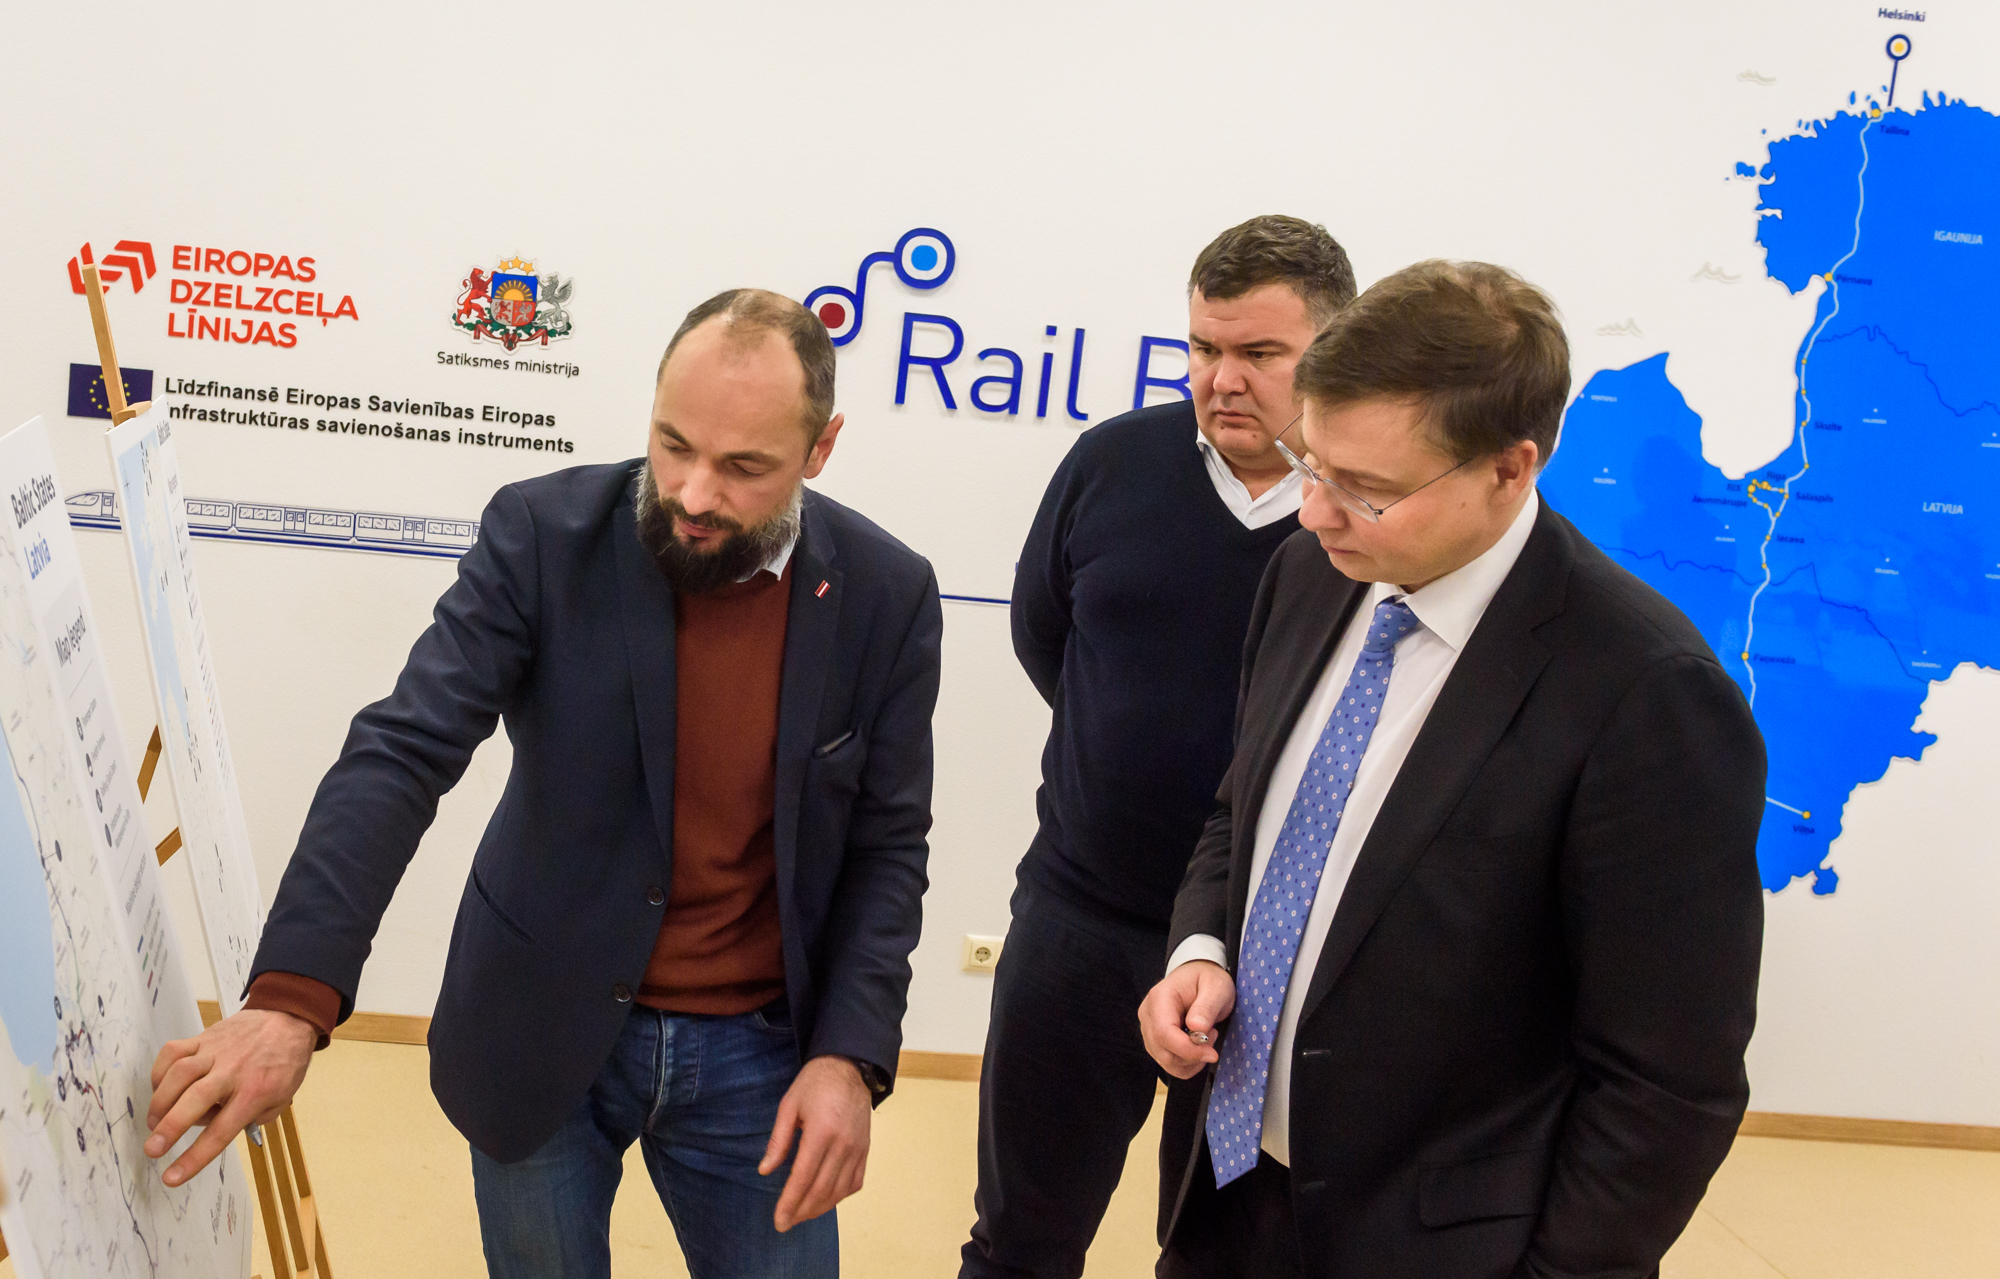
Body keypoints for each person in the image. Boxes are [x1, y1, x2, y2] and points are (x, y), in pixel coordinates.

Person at [144, 289, 943, 1279]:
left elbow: (887, 846)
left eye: (744, 468)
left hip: (760, 1053)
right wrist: (290, 997)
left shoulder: (885, 593)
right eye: (672, 444)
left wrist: (851, 1056)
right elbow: (403, 750)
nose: (693, 494)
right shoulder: (542, 535)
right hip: (540, 1020)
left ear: (819, 449)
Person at [1138, 260, 1766, 1278]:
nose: (1314, 512)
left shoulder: (1644, 692)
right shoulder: (1309, 576)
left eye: (1367, 490)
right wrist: (1200, 947)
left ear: (1510, 469)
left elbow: (1666, 1082)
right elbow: (1241, 815)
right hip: (1222, 1193)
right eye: (1310, 463)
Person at [962, 217, 1357, 1279]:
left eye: (1259, 353)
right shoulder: (1111, 462)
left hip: (1266, 955)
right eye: (1203, 348)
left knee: (1227, 1257)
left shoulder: (1365, 517)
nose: (1222, 380)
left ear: (1333, 348)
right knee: (1018, 1241)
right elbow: (1044, 635)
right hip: (1079, 921)